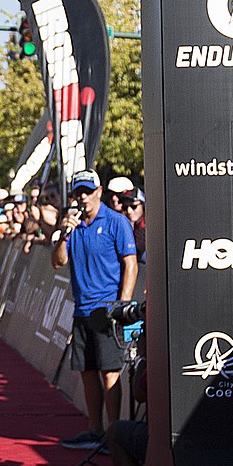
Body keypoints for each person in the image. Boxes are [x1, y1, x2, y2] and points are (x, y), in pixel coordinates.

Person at [51, 169, 137, 449]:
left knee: (109, 371)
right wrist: (64, 233)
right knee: (87, 372)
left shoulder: (116, 222)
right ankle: (94, 429)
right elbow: (57, 262)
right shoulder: (72, 226)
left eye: (88, 191)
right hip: (81, 309)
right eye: (79, 193)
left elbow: (131, 264)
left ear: (99, 191)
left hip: (107, 309)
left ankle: (114, 434)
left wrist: (121, 305)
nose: (83, 197)